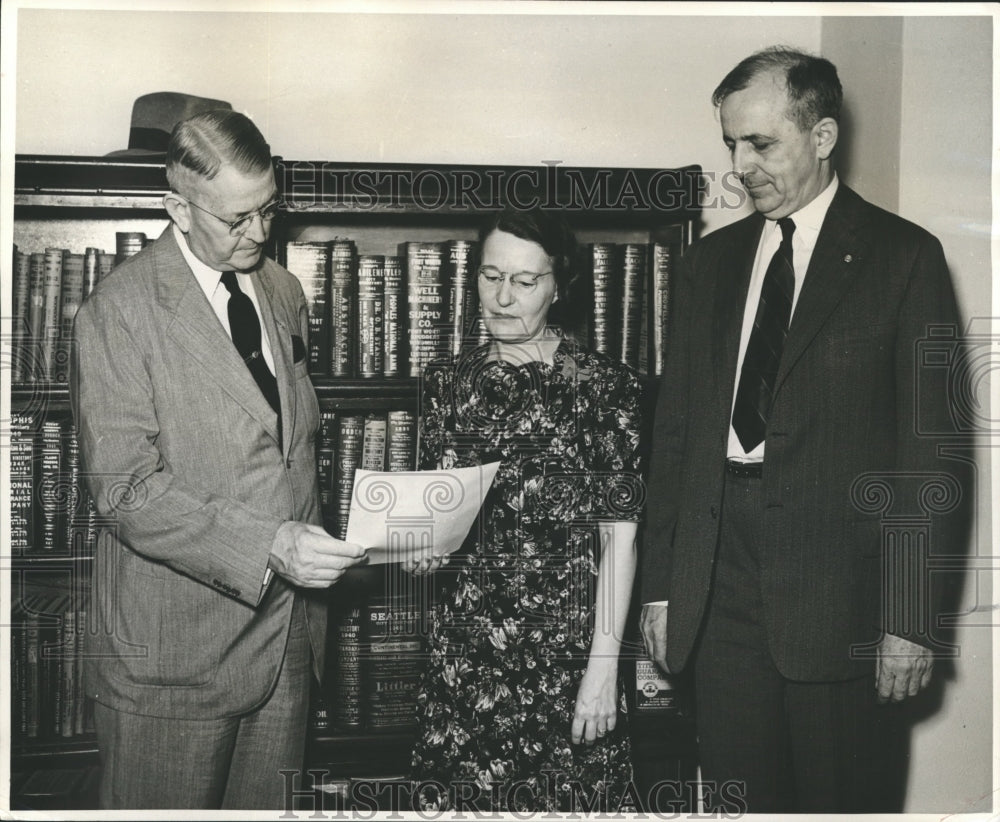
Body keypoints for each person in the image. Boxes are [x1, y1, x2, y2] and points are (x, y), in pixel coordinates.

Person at [640, 47, 967, 813]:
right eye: (731, 145)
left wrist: (910, 620)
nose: (742, 165)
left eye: (761, 144)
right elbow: (678, 437)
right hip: (720, 592)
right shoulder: (708, 265)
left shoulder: (905, 258)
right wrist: (660, 589)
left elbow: (933, 455)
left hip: (842, 603)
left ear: (821, 137)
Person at [71, 110, 368, 809]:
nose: (260, 234)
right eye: (237, 219)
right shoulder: (118, 312)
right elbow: (125, 491)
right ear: (177, 206)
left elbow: (282, 448)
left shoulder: (283, 293)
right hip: (174, 661)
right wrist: (269, 544)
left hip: (285, 650)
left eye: (269, 209)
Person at [407, 208, 643, 812]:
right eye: (490, 277)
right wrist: (418, 554)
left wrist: (603, 670)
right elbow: (436, 520)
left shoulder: (604, 387)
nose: (502, 297)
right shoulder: (445, 383)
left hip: (567, 663)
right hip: (464, 663)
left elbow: (622, 540)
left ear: (559, 286)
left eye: (524, 281)